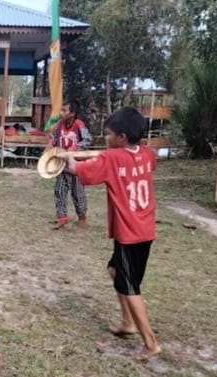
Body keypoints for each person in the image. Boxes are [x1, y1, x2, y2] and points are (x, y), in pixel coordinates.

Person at [61, 107, 161, 361]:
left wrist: (68, 158)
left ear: (123, 137)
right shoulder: (147, 154)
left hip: (130, 233)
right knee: (115, 271)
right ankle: (128, 323)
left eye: (109, 134)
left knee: (130, 287)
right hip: (144, 229)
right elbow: (144, 159)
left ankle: (150, 343)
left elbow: (78, 170)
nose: (105, 138)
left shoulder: (112, 159)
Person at [48, 100, 93, 229]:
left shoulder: (79, 125)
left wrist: (75, 148)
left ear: (72, 113)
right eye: (61, 110)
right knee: (59, 191)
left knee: (77, 193)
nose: (61, 113)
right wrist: (50, 145)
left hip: (77, 166)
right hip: (62, 165)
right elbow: (53, 137)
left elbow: (88, 139)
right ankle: (62, 218)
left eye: (64, 110)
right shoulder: (60, 124)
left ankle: (82, 217)